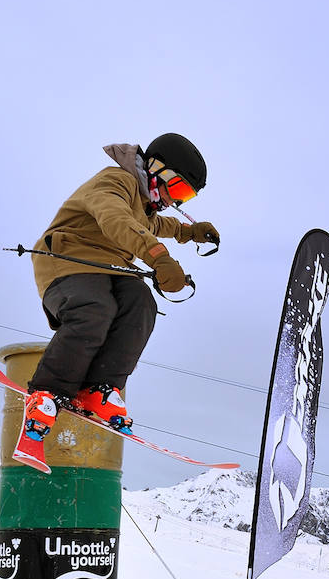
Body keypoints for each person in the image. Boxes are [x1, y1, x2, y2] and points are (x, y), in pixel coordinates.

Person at [22, 134, 220, 439]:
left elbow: (155, 224)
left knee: (141, 302)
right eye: (178, 189)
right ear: (156, 169)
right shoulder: (115, 180)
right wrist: (159, 257)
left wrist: (190, 231)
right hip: (66, 259)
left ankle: (99, 388)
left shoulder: (144, 205)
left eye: (186, 198)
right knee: (94, 310)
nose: (175, 201)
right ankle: (47, 391)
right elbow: (114, 217)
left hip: (109, 267)